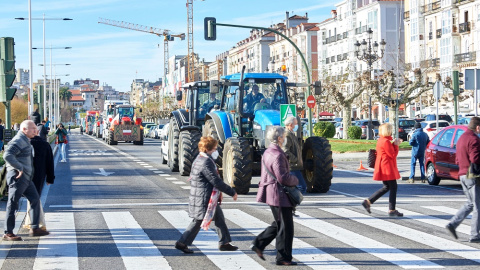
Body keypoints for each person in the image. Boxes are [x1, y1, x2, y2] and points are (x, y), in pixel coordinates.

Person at [175, 136, 238, 254]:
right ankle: (182, 242)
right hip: (204, 197)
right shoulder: (206, 162)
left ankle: (224, 243)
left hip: (204, 195)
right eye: (214, 149)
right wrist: (232, 192)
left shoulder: (200, 158)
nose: (215, 151)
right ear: (208, 149)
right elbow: (216, 181)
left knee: (219, 218)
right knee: (198, 221)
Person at [251, 126, 299, 266]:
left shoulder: (268, 151)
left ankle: (259, 244)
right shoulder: (277, 154)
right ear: (279, 138)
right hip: (279, 194)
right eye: (284, 136)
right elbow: (283, 177)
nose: (285, 138)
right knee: (286, 227)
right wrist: (295, 180)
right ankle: (283, 257)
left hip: (273, 192)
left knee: (280, 224)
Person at [2, 120, 50, 241]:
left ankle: (34, 227)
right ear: (24, 129)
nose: (36, 130)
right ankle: (8, 233)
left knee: (34, 199)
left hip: (26, 178)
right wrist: (19, 167)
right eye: (33, 129)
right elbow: (7, 155)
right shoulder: (19, 140)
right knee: (13, 204)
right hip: (18, 177)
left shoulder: (25, 140)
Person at [445, 117, 480, 243]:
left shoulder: (462, 138)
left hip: (462, 174)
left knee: (470, 203)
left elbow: (457, 158)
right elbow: (475, 158)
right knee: (477, 206)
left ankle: (453, 224)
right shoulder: (474, 139)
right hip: (472, 175)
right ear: (477, 127)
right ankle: (475, 235)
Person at [362, 123, 403, 217]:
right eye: (390, 130)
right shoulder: (386, 142)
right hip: (387, 166)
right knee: (393, 187)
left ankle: (368, 201)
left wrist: (393, 144)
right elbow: (392, 155)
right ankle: (391, 209)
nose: (392, 131)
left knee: (387, 187)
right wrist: (396, 145)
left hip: (383, 165)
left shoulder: (381, 140)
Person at [282, 116, 306, 195]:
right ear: (290, 124)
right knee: (302, 187)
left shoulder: (292, 134)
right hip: (292, 166)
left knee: (295, 187)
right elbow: (285, 151)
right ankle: (291, 203)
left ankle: (289, 203)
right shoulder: (287, 135)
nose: (297, 125)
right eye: (295, 124)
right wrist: (295, 159)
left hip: (295, 166)